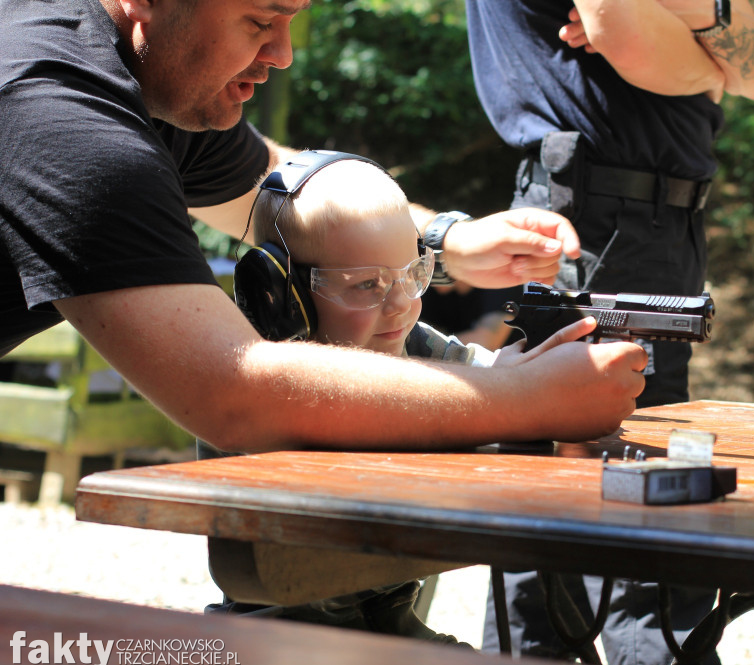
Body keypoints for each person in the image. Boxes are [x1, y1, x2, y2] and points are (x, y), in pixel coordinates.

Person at [0, 0, 649, 465]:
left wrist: (445, 243)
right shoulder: (65, 118)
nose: (281, 53)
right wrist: (529, 398)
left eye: (291, 21)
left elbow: (282, 189)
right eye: (260, 20)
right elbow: (233, 393)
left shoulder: (135, 78)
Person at [465, 0, 754, 665]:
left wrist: (693, 23)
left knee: (638, 469)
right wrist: (709, 49)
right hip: (597, 213)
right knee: (608, 481)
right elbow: (629, 41)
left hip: (652, 218)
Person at [203, 153, 590, 643]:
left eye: (413, 271)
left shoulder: (407, 340)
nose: (403, 302)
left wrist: (549, 372)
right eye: (367, 284)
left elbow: (486, 374)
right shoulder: (252, 378)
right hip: (281, 631)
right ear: (283, 293)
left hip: (388, 622)